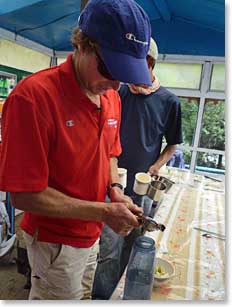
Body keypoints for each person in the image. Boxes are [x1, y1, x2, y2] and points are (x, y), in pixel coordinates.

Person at [0, 0, 152, 300]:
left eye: (125, 73)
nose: (114, 82)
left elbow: (110, 151)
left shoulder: (111, 97)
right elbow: (23, 194)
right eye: (110, 68)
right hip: (55, 243)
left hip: (91, 232)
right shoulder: (32, 98)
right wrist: (105, 211)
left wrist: (115, 189)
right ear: (83, 43)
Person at [92, 37, 183, 299]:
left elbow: (172, 145)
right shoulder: (116, 93)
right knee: (109, 252)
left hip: (142, 191)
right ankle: (101, 298)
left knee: (135, 249)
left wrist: (155, 166)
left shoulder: (169, 102)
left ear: (151, 63)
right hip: (112, 187)